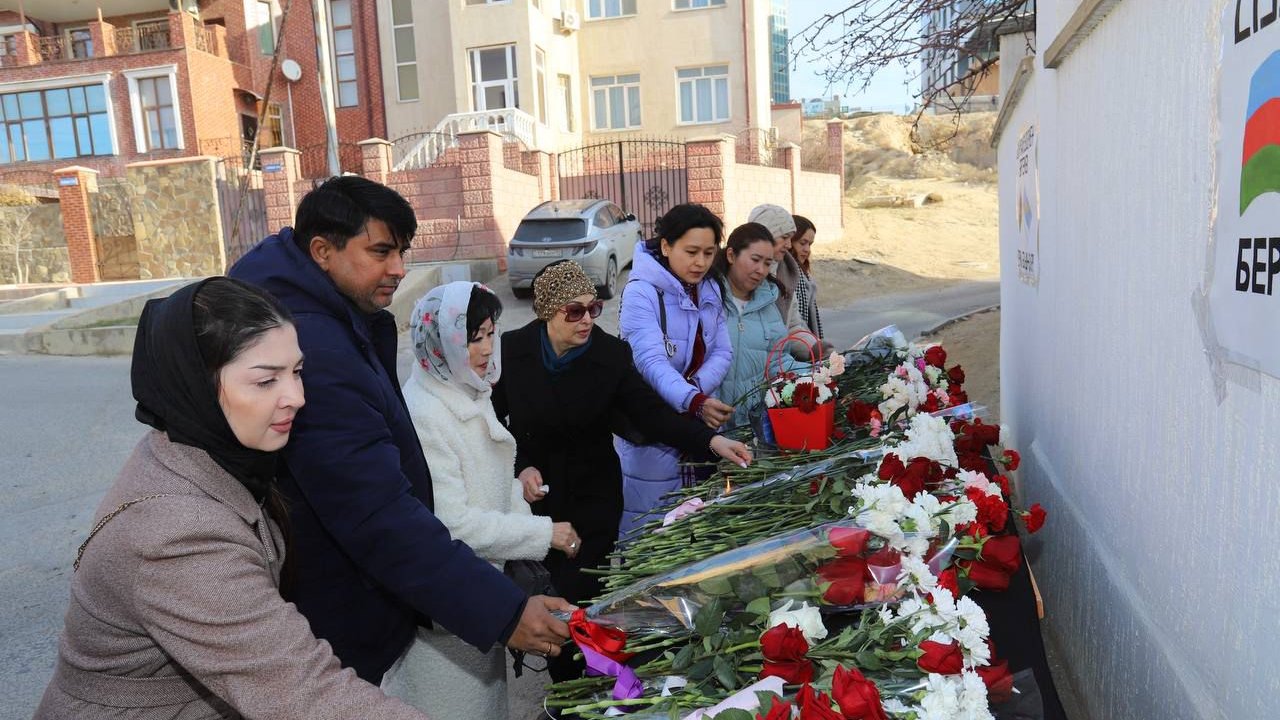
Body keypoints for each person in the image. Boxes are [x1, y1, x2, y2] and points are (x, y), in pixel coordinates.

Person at [229, 176, 572, 685]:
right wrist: (502, 611)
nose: (399, 269)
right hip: (341, 604)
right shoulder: (315, 346)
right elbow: (375, 512)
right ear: (322, 251)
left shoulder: (331, 315)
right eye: (381, 251)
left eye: (402, 251)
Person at [36, 278, 428, 720]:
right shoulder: (176, 536)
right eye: (266, 381)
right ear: (196, 384)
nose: (297, 398)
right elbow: (300, 690)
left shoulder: (205, 448)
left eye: (297, 372)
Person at [492, 260, 753, 681]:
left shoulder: (609, 355)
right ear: (547, 312)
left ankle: (573, 688)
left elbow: (651, 414)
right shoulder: (513, 350)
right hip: (536, 505)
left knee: (578, 602)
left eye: (593, 308)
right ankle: (566, 685)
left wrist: (710, 441)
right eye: (574, 311)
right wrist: (520, 468)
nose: (587, 320)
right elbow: (493, 421)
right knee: (544, 598)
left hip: (592, 501)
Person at [385, 281, 581, 718]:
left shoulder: (468, 388)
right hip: (448, 614)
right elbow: (452, 524)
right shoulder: (425, 413)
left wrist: (519, 492)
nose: (487, 349)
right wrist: (542, 533)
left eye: (491, 334)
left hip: (482, 595)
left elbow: (494, 476)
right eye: (473, 338)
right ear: (441, 342)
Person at [615, 204, 735, 540]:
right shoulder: (641, 292)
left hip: (698, 422)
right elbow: (650, 362)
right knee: (652, 531)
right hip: (654, 432)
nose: (700, 262)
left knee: (699, 531)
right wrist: (693, 400)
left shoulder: (710, 287)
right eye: (691, 252)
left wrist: (694, 392)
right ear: (666, 246)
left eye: (709, 253)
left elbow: (723, 351)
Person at [713, 223, 802, 427]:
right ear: (731, 255)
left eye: (767, 263)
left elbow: (777, 362)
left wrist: (821, 370)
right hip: (709, 425)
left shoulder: (768, 303)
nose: (761, 270)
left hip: (751, 426)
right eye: (755, 260)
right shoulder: (708, 298)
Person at [789, 215, 825, 342]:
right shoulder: (789, 275)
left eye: (810, 244)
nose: (807, 250)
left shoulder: (804, 275)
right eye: (802, 243)